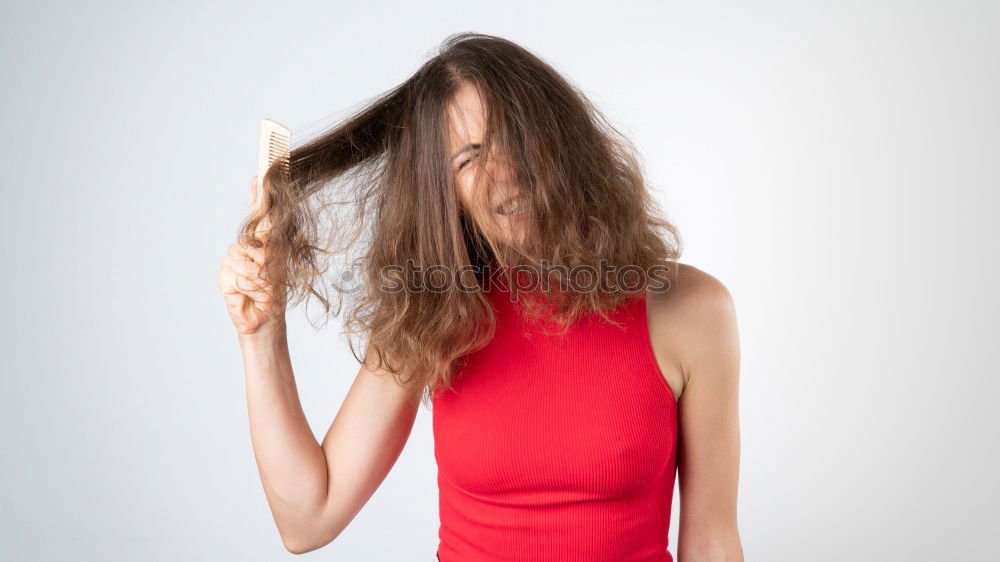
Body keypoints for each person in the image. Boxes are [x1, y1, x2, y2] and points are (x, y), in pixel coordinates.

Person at [218, 32, 743, 561]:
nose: (503, 176)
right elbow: (308, 519)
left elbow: (712, 540)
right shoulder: (434, 312)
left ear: (563, 140)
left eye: (515, 138)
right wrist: (261, 335)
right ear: (444, 193)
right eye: (468, 159)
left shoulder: (691, 310)